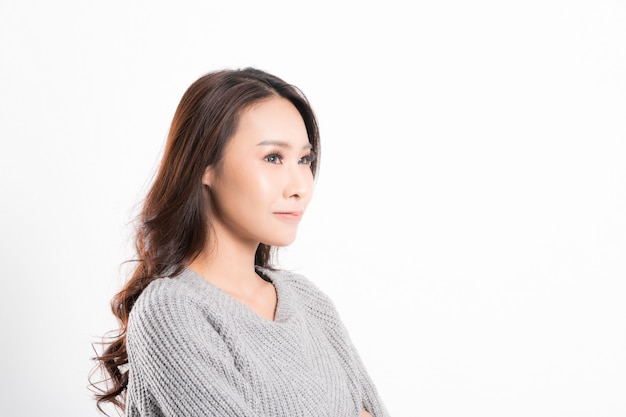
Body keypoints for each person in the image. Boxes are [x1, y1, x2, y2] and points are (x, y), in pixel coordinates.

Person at [90, 67, 389, 417]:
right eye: (273, 157)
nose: (300, 186)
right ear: (205, 164)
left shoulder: (307, 301)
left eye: (304, 159)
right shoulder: (172, 310)